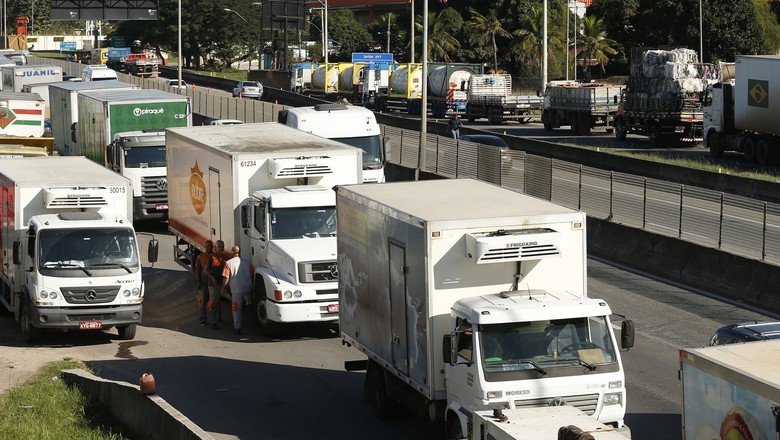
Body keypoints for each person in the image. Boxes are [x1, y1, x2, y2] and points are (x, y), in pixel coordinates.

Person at [222, 245, 255, 336]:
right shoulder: (247, 262)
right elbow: (253, 273)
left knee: (236, 309)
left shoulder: (229, 263)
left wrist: (223, 288)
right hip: (248, 288)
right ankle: (249, 303)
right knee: (248, 295)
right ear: (239, 253)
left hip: (237, 291)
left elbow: (226, 277)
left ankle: (237, 328)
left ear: (232, 252)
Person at [205, 240, 229, 330]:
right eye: (219, 247)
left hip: (221, 284)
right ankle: (213, 322)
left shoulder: (225, 257)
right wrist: (212, 278)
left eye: (222, 247)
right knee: (213, 302)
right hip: (213, 284)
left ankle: (218, 318)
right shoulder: (211, 257)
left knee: (218, 302)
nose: (221, 248)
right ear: (215, 248)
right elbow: (206, 270)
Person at [193, 240, 214, 326]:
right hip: (204, 282)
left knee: (214, 302)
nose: (209, 248)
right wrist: (198, 281)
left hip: (213, 284)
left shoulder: (215, 257)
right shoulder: (200, 257)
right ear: (205, 247)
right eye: (207, 246)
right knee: (203, 301)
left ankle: (216, 318)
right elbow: (197, 270)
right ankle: (203, 319)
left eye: (210, 246)